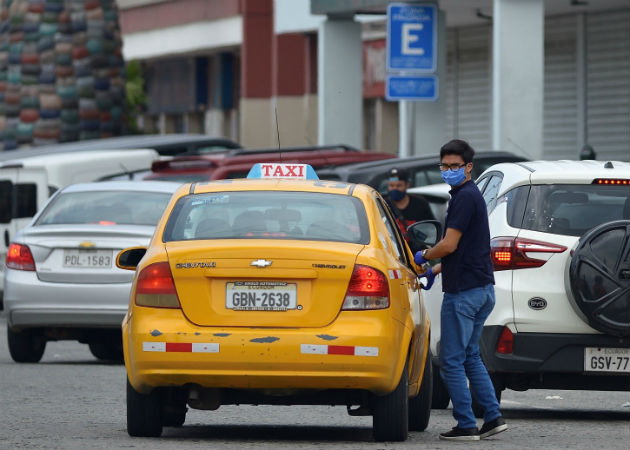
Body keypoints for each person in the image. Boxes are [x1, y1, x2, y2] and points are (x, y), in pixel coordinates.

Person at [414, 139, 507, 441]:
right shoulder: (471, 196)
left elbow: (449, 245)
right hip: (482, 289)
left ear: (469, 167)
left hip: (464, 293)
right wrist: (436, 269)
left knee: (451, 361)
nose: (449, 171)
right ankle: (492, 417)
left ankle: (466, 424)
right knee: (470, 357)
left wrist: (425, 256)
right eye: (445, 166)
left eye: (455, 166)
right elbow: (463, 250)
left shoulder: (464, 198)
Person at [385, 167, 435, 239]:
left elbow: (431, 228)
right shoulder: (383, 205)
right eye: (391, 185)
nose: (394, 189)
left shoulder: (420, 203)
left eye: (399, 185)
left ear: (407, 185)